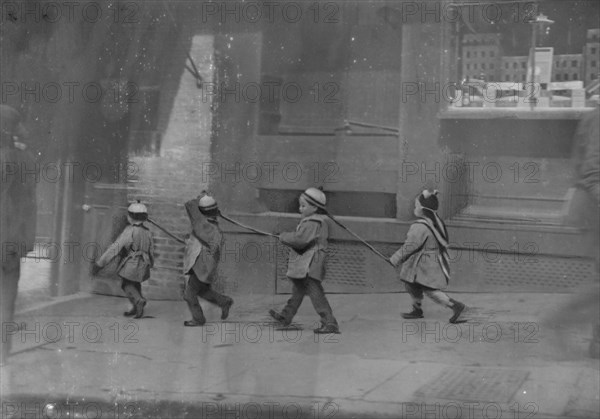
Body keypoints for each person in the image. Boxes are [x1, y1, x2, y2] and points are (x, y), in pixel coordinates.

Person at [269, 187, 340, 334]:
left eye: (303, 206)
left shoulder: (312, 223)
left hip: (311, 264)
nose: (300, 208)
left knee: (316, 293)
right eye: (300, 205)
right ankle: (286, 316)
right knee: (298, 291)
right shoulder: (312, 221)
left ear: (314, 208)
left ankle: (330, 322)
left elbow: (300, 240)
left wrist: (283, 237)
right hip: (308, 263)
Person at [389, 190, 466, 324]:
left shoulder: (419, 226)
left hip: (424, 264)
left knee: (430, 290)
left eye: (416, 206)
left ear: (423, 209)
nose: (415, 209)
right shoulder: (436, 222)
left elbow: (410, 246)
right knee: (411, 285)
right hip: (430, 260)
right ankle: (417, 309)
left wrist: (394, 259)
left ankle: (456, 306)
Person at [0, 105, 37, 366]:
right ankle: (1, 353)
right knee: (6, 296)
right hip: (12, 238)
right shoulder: (27, 159)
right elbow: (30, 201)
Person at [94, 202, 154, 319]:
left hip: (132, 262)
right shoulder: (147, 231)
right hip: (144, 262)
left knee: (126, 284)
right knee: (136, 283)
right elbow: (151, 249)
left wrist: (100, 263)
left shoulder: (129, 230)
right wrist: (151, 263)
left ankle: (138, 300)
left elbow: (115, 248)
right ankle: (136, 306)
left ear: (131, 217)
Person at [182, 191, 233, 326]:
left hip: (201, 266)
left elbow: (191, 208)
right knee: (202, 290)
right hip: (201, 265)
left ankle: (198, 319)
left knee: (189, 294)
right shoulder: (212, 227)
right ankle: (224, 301)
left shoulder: (206, 227)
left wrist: (199, 198)